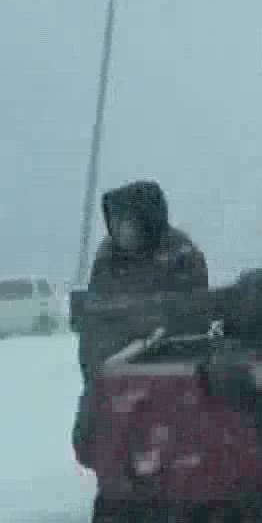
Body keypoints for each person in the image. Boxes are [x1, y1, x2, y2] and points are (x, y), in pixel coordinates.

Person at [75, 180, 209, 459]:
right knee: (91, 442)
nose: (122, 229)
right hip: (116, 359)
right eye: (115, 221)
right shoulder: (107, 256)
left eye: (128, 221)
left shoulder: (180, 253)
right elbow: (97, 311)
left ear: (148, 218)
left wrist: (148, 323)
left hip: (169, 362)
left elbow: (193, 314)